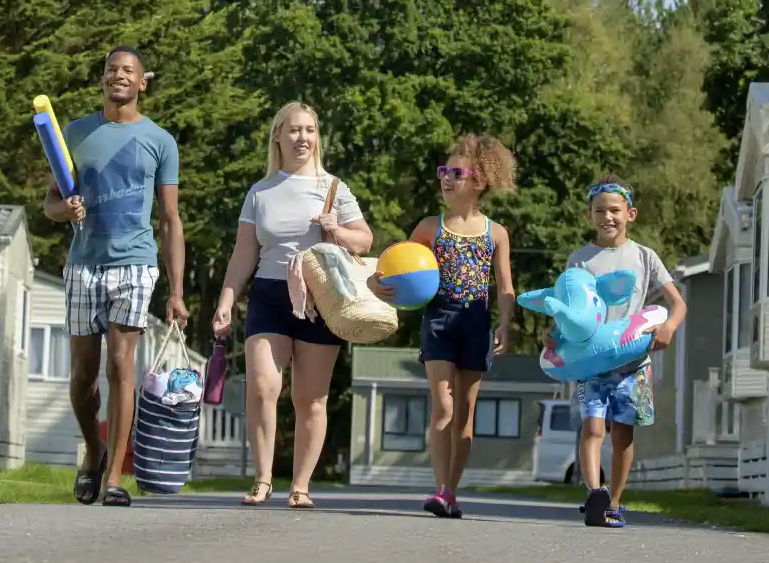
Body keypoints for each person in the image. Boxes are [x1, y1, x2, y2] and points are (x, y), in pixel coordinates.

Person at [43, 45, 188, 507]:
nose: (118, 76)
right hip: (84, 264)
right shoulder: (77, 132)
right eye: (111, 70)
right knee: (85, 375)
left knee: (121, 365)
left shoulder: (160, 141)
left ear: (142, 83)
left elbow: (169, 219)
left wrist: (177, 290)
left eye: (128, 71)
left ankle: (116, 478)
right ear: (102, 80)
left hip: (135, 262)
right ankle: (94, 452)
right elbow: (50, 203)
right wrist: (63, 210)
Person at [211, 101, 373, 509]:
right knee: (264, 386)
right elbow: (243, 254)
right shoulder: (260, 192)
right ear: (278, 137)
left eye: (310, 130)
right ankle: (263, 479)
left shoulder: (334, 187)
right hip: (269, 293)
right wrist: (226, 301)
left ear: (317, 138)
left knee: (310, 398)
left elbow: (365, 241)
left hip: (323, 296)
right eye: (295, 130)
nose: (303, 138)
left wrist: (336, 229)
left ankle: (300, 486)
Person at [369, 134, 518, 519]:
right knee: (443, 406)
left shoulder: (496, 233)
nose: (446, 179)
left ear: (479, 181)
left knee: (464, 416)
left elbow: (505, 287)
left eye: (456, 172)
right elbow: (394, 267)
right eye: (443, 172)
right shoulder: (429, 227)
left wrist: (505, 324)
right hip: (439, 319)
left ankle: (451, 490)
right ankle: (439, 488)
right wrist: (375, 283)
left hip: (476, 322)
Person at [545, 174, 687, 528]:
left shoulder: (644, 256)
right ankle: (595, 493)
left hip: (633, 361)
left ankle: (615, 502)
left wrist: (668, 326)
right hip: (592, 361)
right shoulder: (579, 260)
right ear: (588, 217)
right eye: (599, 211)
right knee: (592, 428)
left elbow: (677, 303)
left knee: (623, 432)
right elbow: (568, 309)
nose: (607, 217)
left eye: (614, 210)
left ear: (630, 213)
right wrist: (553, 337)